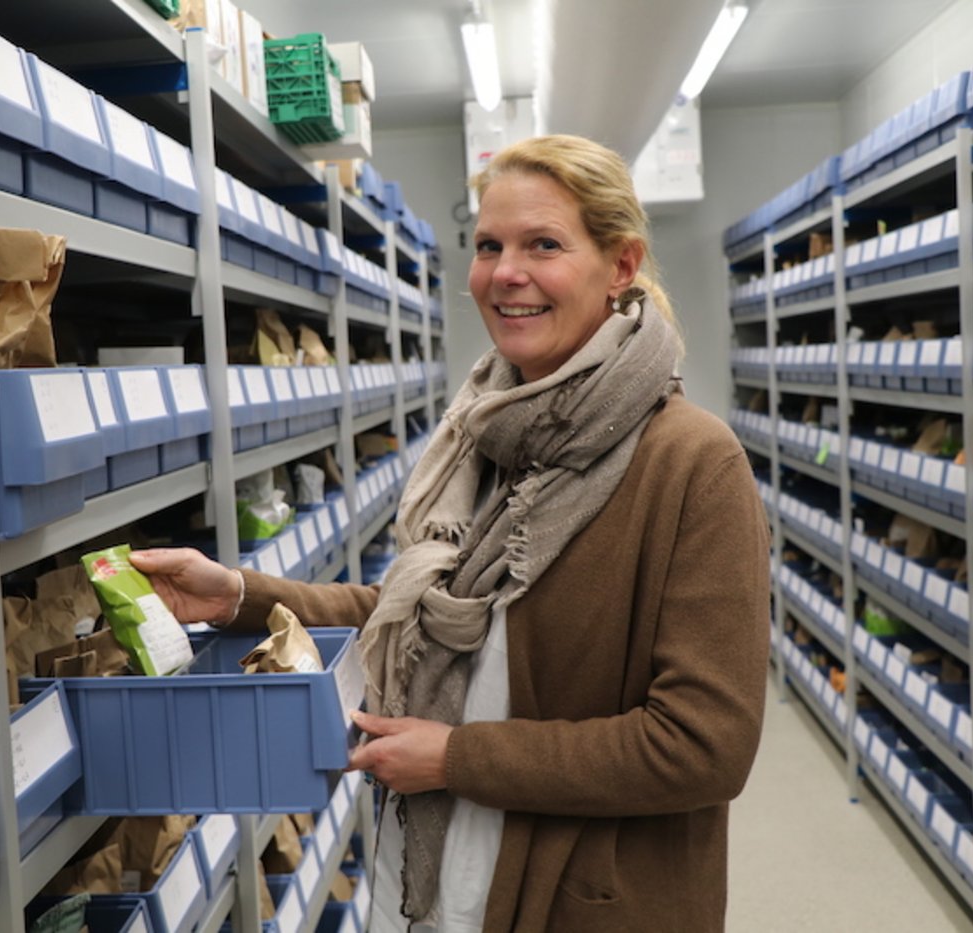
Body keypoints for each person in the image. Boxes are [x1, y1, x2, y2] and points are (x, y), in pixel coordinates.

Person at [131, 134, 771, 933]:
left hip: (574, 901)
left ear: (619, 266)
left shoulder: (690, 463)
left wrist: (455, 757)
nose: (507, 273)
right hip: (439, 877)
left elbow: (702, 746)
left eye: (544, 244)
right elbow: (431, 610)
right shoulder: (489, 436)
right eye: (489, 246)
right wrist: (240, 597)